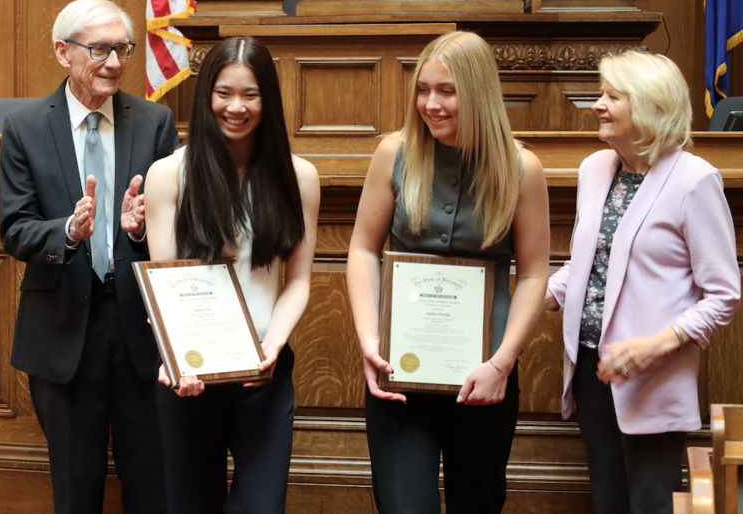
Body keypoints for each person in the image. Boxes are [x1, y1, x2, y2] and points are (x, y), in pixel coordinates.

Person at [346, 31, 550, 514]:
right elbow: (362, 249)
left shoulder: (522, 168)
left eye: (446, 91)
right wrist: (369, 339)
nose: (430, 104)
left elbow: (534, 274)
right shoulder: (393, 153)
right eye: (423, 89)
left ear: (478, 94)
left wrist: (502, 365)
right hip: (399, 371)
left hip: (484, 375)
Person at [0, 0, 179, 513]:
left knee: (154, 486)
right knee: (76, 489)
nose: (115, 63)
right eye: (100, 49)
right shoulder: (25, 127)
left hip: (142, 332)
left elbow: (177, 225)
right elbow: (15, 229)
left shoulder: (155, 122)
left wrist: (142, 229)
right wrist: (69, 231)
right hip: (62, 333)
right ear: (64, 52)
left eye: (123, 49)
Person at [544, 50, 741, 514]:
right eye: (601, 94)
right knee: (608, 502)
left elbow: (724, 294)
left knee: (652, 505)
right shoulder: (594, 168)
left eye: (613, 97)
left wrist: (657, 345)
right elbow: (588, 263)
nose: (598, 105)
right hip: (592, 366)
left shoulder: (695, 180)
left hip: (653, 374)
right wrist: (537, 295)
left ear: (652, 107)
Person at [144, 36, 320, 514]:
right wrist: (177, 358)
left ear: (268, 99)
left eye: (250, 94)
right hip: (191, 372)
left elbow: (298, 280)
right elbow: (167, 282)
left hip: (265, 370)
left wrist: (273, 346)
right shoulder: (169, 175)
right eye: (224, 93)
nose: (235, 107)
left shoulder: (300, 177)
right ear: (207, 96)